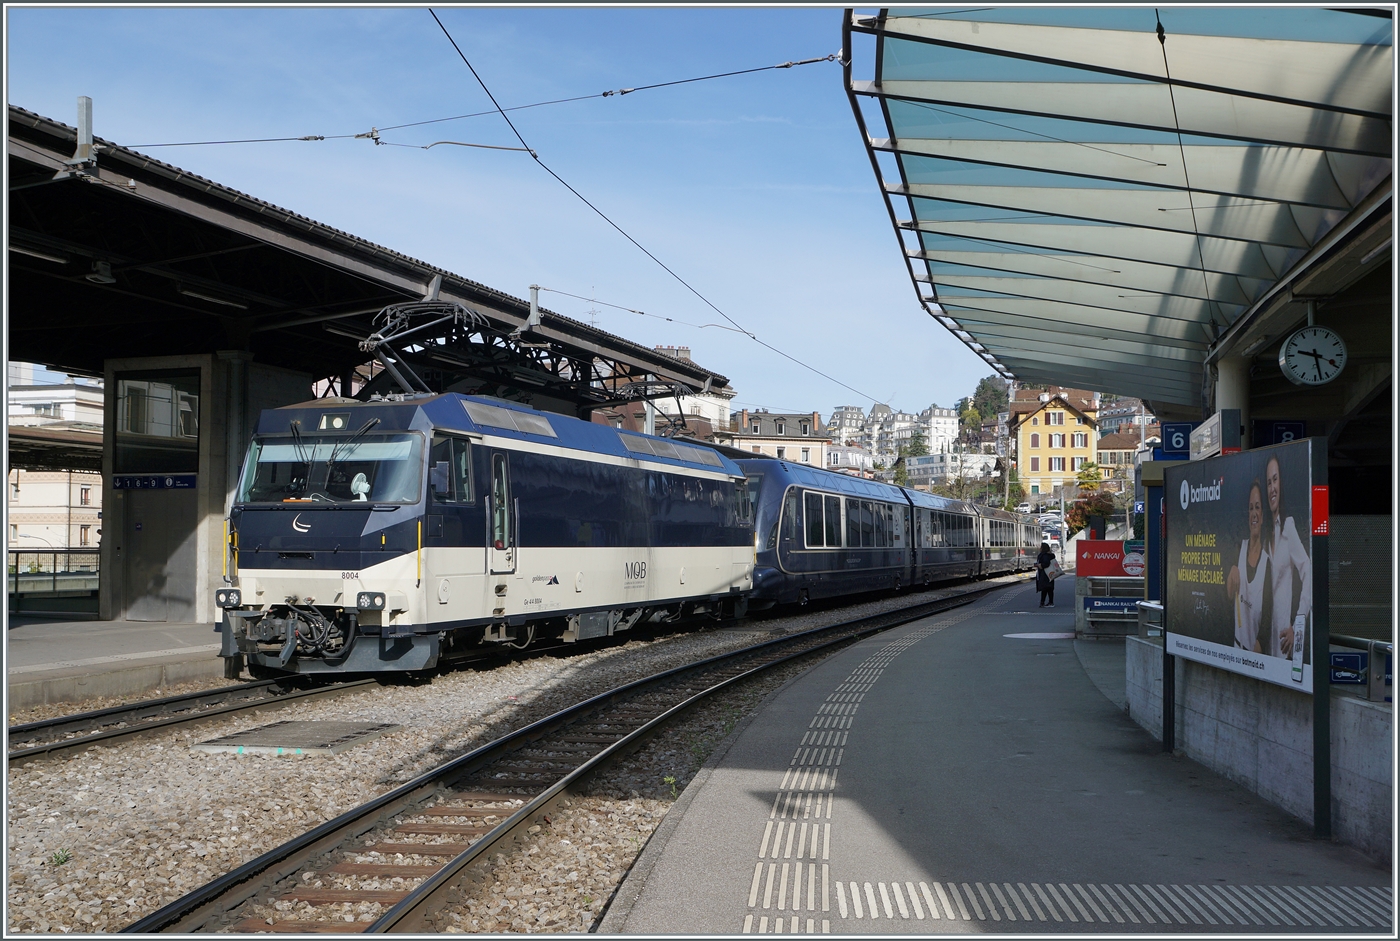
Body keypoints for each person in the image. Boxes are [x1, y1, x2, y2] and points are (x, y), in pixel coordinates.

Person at [1264, 454, 1312, 658]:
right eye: (1268, 483)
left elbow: (1308, 571)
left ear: (1281, 483)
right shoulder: (1264, 536)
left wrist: (1298, 625)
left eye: (1275, 480)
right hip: (1263, 646)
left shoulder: (1288, 527)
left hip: (1284, 646)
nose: (1272, 488)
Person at [1227, 480, 1273, 652]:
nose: (1254, 513)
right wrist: (1232, 573)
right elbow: (1229, 594)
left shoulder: (1267, 564)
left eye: (1258, 508)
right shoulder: (1239, 548)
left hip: (1255, 654)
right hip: (1236, 646)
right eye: (1251, 508)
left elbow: (1267, 617)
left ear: (1262, 517)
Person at [1035, 541, 1057, 607]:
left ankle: (1044, 602)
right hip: (1050, 573)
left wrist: (1039, 565)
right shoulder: (1050, 555)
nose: (1039, 548)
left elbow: (1046, 564)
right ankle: (1048, 602)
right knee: (1049, 589)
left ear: (1043, 548)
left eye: (1041, 547)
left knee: (1045, 588)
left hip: (1045, 574)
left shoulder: (1044, 555)